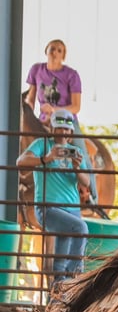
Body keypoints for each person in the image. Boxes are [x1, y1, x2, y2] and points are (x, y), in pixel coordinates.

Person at [16, 108, 90, 290]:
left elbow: (85, 182)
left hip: (72, 209)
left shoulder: (75, 151)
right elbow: (20, 162)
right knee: (80, 228)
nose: (63, 132)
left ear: (71, 131)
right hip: (48, 208)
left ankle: (56, 301)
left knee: (60, 262)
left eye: (66, 129)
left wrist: (77, 168)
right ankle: (75, 278)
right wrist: (47, 158)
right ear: (52, 128)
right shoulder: (43, 144)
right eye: (59, 128)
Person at [25, 39, 98, 203]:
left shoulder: (71, 75)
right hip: (44, 120)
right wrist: (26, 111)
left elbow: (76, 107)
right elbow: (30, 98)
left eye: (59, 50)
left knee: (80, 153)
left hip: (67, 122)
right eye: (52, 48)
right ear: (46, 50)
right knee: (27, 142)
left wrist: (54, 110)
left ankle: (92, 196)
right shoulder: (37, 70)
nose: (55, 52)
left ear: (63, 55)